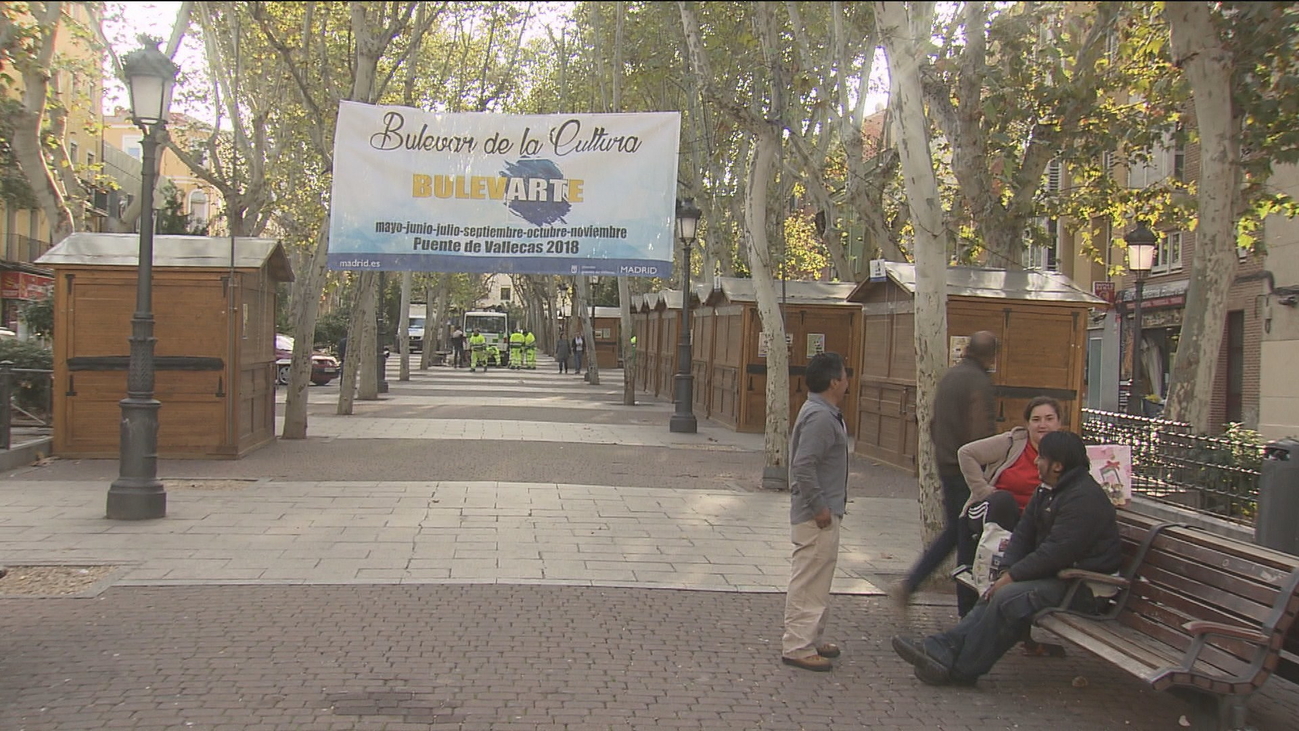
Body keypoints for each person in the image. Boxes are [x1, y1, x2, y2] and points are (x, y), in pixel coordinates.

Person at [891, 431, 1122, 686]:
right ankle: (942, 650)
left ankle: (960, 669)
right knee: (997, 593)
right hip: (1060, 577)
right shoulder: (1048, 490)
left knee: (1008, 597)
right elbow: (1022, 535)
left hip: (1087, 588)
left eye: (1041, 458)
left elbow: (1056, 552)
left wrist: (1012, 577)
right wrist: (1006, 572)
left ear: (1057, 466)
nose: (1036, 462)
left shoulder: (1084, 499)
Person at [892, 331, 997, 617]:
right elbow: (981, 433)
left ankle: (913, 584)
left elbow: (933, 423)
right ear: (990, 356)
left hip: (947, 463)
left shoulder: (950, 377)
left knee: (957, 531)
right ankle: (964, 606)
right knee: (967, 536)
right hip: (969, 470)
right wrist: (988, 468)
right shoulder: (979, 383)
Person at [781, 351, 852, 672]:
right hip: (816, 514)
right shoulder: (821, 417)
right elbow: (804, 465)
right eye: (845, 376)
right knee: (809, 579)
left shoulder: (823, 412)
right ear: (834, 382)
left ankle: (811, 636)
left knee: (819, 577)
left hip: (825, 508)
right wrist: (819, 505)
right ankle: (798, 645)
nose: (848, 382)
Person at [956, 396, 1063, 579]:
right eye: (1036, 420)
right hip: (994, 514)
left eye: (1049, 419)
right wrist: (984, 491)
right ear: (1027, 424)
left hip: (1033, 525)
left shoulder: (1066, 452)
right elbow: (966, 453)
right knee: (1003, 500)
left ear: (1059, 423)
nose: (1042, 425)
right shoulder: (1012, 442)